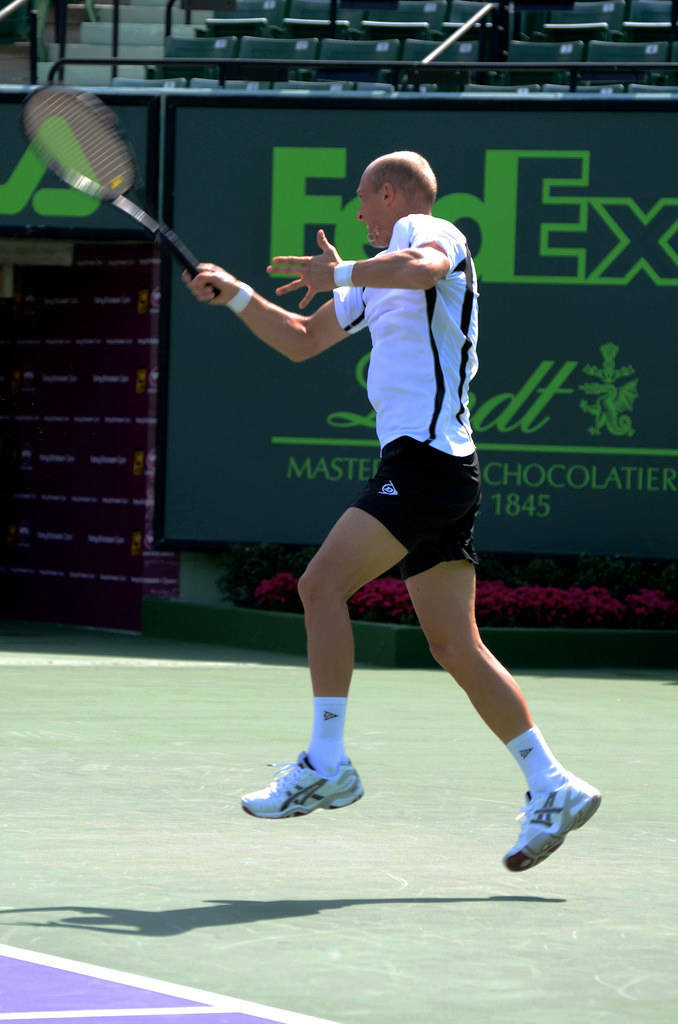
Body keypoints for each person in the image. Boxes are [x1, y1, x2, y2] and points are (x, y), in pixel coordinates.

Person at [183, 150, 601, 872]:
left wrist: (341, 272)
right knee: (454, 646)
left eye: (361, 200)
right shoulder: (377, 279)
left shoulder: (430, 231)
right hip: (439, 473)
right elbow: (303, 339)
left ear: (388, 195)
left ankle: (326, 759)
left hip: (429, 466)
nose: (357, 215)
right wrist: (240, 296)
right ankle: (552, 784)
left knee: (318, 587)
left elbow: (425, 269)